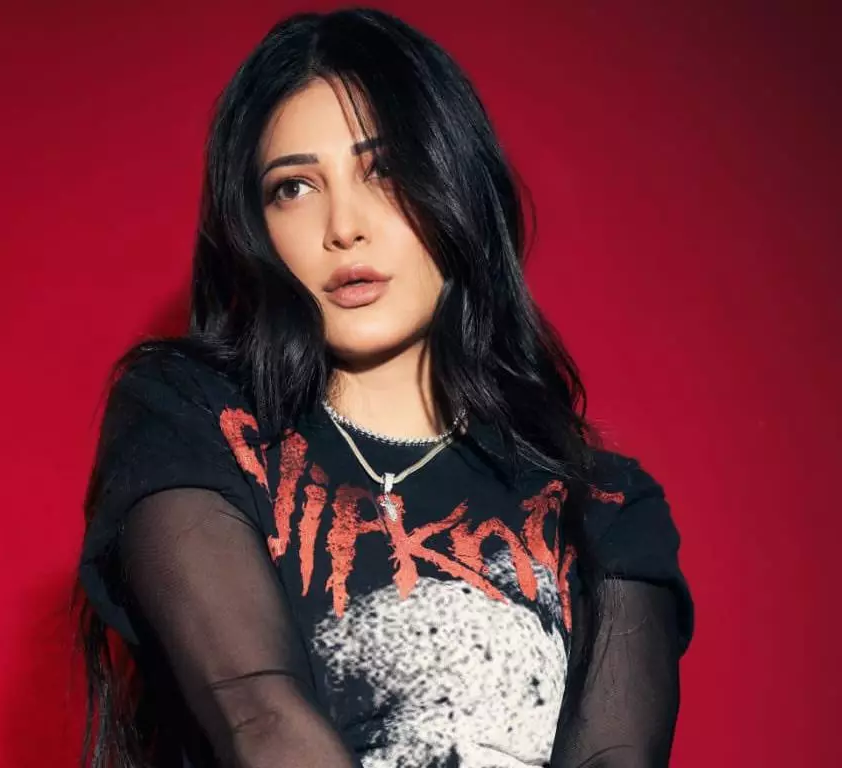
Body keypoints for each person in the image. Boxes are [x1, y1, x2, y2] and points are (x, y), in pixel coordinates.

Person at [74, 7, 694, 767]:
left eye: (385, 171)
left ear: (457, 184)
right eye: (293, 187)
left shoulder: (603, 508)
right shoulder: (194, 422)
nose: (344, 226)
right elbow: (257, 718)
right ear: (254, 228)